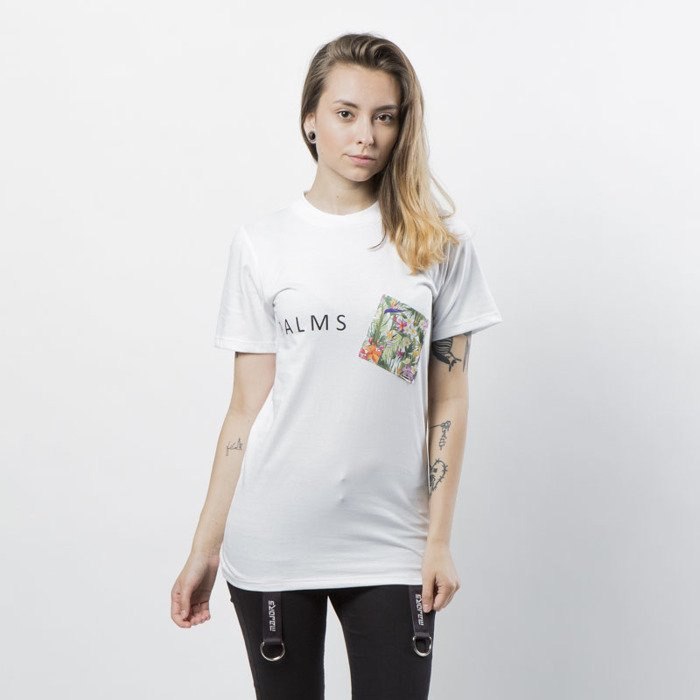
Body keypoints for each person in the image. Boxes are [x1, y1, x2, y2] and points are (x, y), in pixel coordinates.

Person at [170, 32, 503, 700]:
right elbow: (246, 409)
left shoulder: (435, 243)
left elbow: (447, 401)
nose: (366, 135)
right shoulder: (263, 244)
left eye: (385, 116)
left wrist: (438, 540)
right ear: (310, 121)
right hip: (275, 535)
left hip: (392, 541)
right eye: (346, 113)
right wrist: (204, 546)